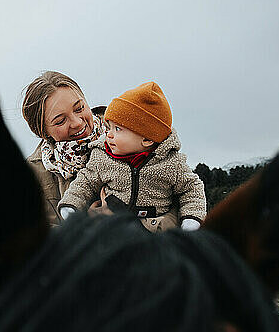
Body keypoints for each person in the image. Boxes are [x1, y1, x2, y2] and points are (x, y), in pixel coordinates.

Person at [22, 72, 180, 231]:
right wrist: (87, 227)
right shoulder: (32, 174)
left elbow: (179, 209)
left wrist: (133, 223)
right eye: (60, 121)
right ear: (42, 131)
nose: (77, 123)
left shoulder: (136, 134)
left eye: (79, 108)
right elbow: (38, 239)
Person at [58, 81, 206, 231]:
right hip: (113, 226)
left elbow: (191, 188)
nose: (108, 134)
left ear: (147, 139)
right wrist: (71, 205)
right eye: (109, 127)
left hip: (156, 230)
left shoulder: (171, 163)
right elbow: (85, 182)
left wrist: (191, 219)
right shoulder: (102, 157)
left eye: (118, 129)